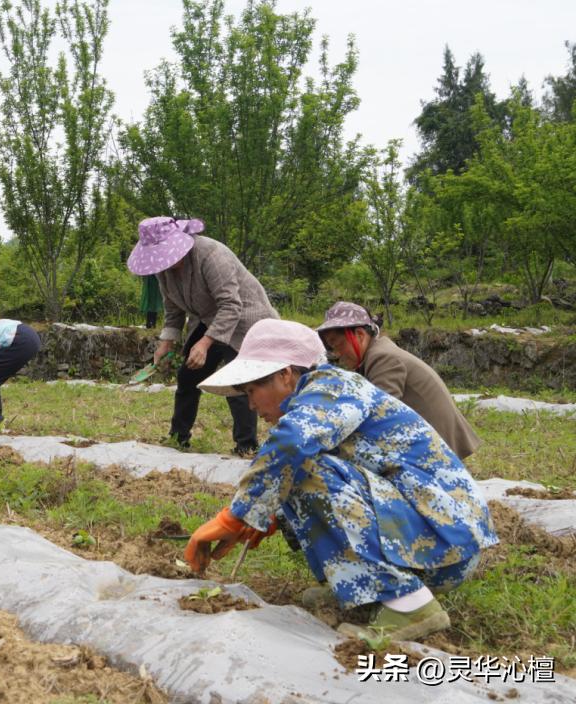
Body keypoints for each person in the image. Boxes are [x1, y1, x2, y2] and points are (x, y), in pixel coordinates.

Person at [185, 319, 498, 642]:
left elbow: (292, 444)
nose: (250, 405)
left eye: (252, 391)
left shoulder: (333, 386)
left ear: (284, 375)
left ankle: (409, 604)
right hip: (435, 536)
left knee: (303, 469)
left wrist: (236, 515)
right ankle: (363, 585)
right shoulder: (321, 399)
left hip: (445, 539)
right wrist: (266, 519)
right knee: (292, 472)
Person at [126, 216, 279, 456]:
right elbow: (173, 308)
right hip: (208, 318)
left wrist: (205, 343)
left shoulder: (210, 255)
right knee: (188, 376)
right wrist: (167, 342)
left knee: (239, 382)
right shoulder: (163, 269)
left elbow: (231, 305)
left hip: (243, 319)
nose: (164, 264)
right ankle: (178, 438)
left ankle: (246, 446)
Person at [316, 301, 482, 459]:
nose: (336, 353)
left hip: (438, 446)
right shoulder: (377, 354)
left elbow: (379, 416)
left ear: (359, 334)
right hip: (431, 438)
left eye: (337, 344)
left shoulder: (382, 357)